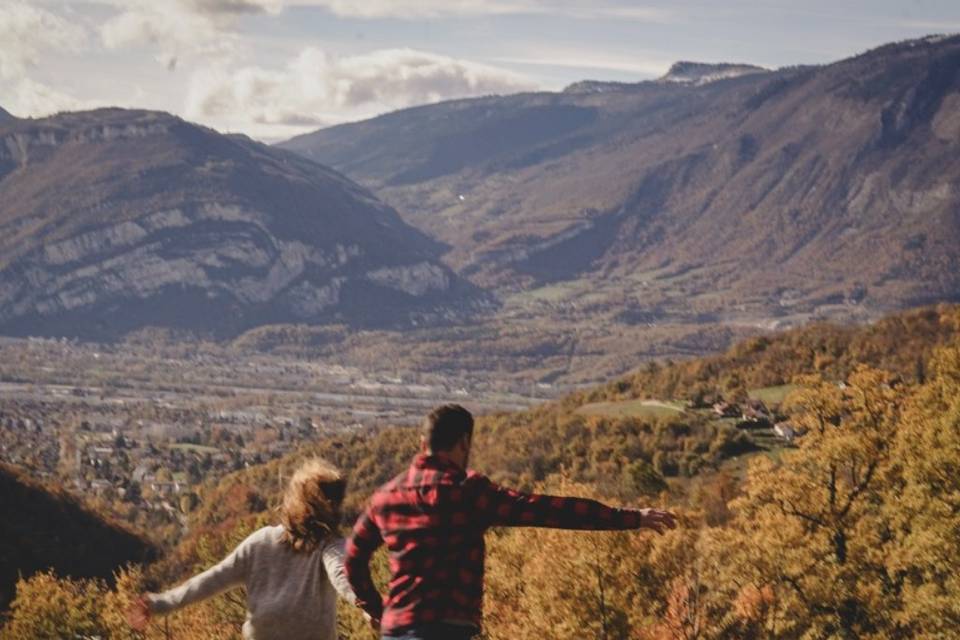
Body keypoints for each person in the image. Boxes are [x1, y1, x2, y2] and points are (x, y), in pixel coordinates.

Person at [345, 404, 678, 640]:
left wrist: (378, 609)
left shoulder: (385, 496)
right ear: (464, 443)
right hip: (447, 626)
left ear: (422, 444)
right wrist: (630, 518)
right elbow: (547, 510)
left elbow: (354, 559)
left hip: (397, 629)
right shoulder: (468, 491)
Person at [127, 459, 357, 640]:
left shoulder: (262, 541)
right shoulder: (330, 546)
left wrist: (162, 603)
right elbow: (347, 577)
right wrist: (375, 611)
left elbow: (211, 580)